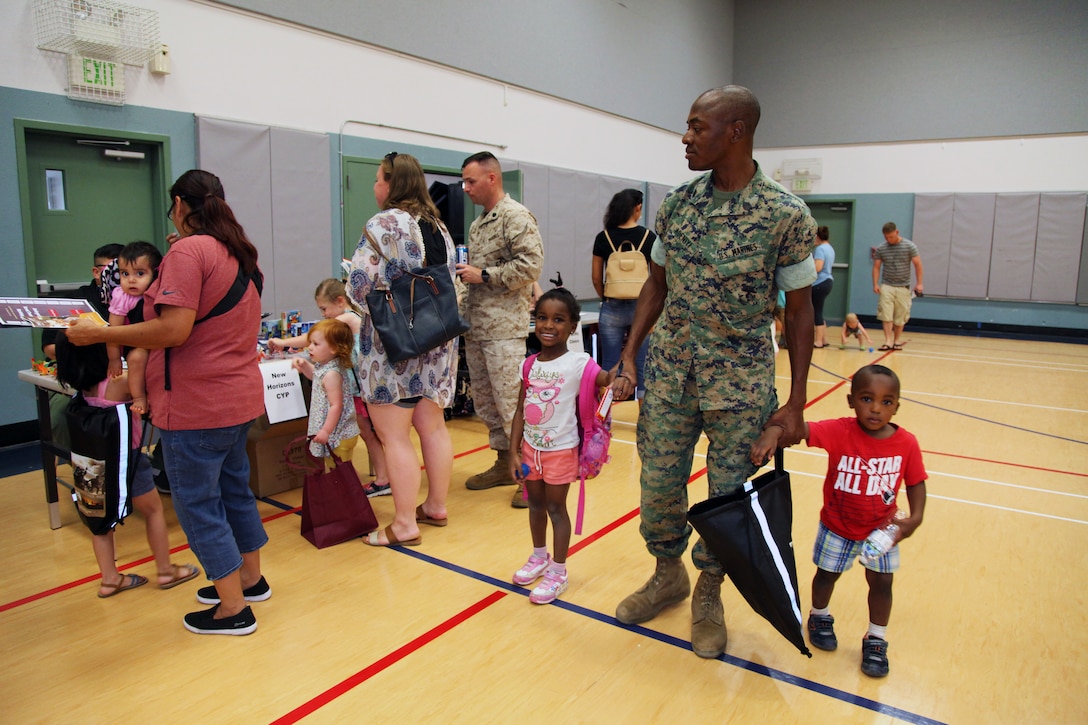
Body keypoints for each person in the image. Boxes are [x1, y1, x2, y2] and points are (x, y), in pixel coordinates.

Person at [609, 85, 817, 659]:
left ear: (736, 132)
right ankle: (667, 573)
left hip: (741, 388)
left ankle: (708, 591)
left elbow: (800, 313)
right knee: (658, 488)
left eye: (698, 126)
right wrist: (630, 353)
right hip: (673, 376)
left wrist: (796, 402)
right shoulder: (677, 204)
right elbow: (656, 284)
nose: (685, 136)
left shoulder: (785, 214)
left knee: (728, 500)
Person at [67, 169, 269, 636]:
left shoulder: (189, 251)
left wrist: (103, 334)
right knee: (235, 493)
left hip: (197, 405)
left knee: (199, 505)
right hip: (235, 399)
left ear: (179, 203)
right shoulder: (237, 251)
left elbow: (174, 330)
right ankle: (249, 580)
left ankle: (232, 608)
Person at [750, 364, 927, 678]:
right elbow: (801, 430)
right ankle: (819, 615)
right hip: (837, 526)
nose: (876, 408)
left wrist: (914, 519)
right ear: (850, 400)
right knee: (827, 575)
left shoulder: (907, 444)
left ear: (897, 407)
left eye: (887, 402)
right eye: (867, 398)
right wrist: (775, 432)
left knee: (882, 583)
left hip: (881, 529)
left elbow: (915, 481)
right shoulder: (839, 430)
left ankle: (876, 638)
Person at [347, 152, 456, 546]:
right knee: (433, 425)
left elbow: (360, 284)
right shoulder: (438, 226)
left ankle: (405, 524)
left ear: (391, 183)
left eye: (378, 178)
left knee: (395, 436)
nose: (375, 186)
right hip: (437, 339)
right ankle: (436, 506)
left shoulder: (383, 223)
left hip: (392, 342)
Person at [54, 333, 201, 598]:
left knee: (100, 520)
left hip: (91, 462)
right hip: (126, 459)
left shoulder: (81, 388)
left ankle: (110, 579)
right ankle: (166, 570)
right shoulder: (118, 384)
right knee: (154, 511)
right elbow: (139, 359)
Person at [508, 288, 613, 605]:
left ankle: (558, 570)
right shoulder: (529, 365)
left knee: (556, 509)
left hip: (561, 452)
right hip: (531, 451)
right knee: (535, 505)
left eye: (558, 319)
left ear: (572, 325)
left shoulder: (579, 363)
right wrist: (513, 451)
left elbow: (606, 379)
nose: (548, 325)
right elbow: (519, 410)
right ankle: (539, 556)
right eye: (541, 318)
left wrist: (622, 373)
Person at [457, 151, 545, 508]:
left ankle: (529, 475)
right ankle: (501, 463)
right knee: (488, 404)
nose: (465, 188)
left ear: (492, 178)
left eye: (471, 181)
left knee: (513, 404)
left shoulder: (515, 216)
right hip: (477, 328)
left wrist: (486, 275)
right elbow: (472, 276)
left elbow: (531, 266)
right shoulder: (479, 224)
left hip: (504, 329)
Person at [268, 278, 390, 495]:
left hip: (357, 389)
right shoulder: (351, 317)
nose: (323, 314)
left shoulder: (349, 318)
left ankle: (383, 479)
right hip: (356, 387)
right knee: (368, 434)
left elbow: (315, 334)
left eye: (324, 308)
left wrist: (282, 342)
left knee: (369, 434)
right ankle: (382, 477)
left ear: (340, 301)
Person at [592, 188, 656, 400]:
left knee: (610, 364)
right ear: (637, 208)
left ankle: (605, 417)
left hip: (612, 306)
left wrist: (606, 298)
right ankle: (644, 417)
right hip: (643, 308)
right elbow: (657, 279)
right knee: (643, 365)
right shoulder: (649, 238)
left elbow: (595, 277)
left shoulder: (603, 238)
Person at [290, 318, 360, 470]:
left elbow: (336, 405)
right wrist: (305, 367)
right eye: (310, 343)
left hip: (339, 435)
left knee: (339, 472)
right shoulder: (325, 367)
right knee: (333, 469)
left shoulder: (332, 374)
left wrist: (325, 431)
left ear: (334, 348)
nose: (309, 348)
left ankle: (343, 494)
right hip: (335, 434)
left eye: (315, 344)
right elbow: (316, 377)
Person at [105, 241, 163, 415]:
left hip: (161, 341)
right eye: (124, 274)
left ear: (155, 274)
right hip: (137, 343)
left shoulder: (161, 290)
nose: (131, 280)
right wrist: (114, 359)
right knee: (137, 358)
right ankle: (139, 397)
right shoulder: (123, 297)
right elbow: (112, 331)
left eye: (140, 273)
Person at [871, 222, 924, 350]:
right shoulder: (882, 248)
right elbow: (876, 267)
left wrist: (919, 283)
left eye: (891, 236)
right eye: (886, 237)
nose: (889, 239)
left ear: (897, 232)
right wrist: (875, 283)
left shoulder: (909, 246)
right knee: (886, 313)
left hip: (903, 286)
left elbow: (918, 265)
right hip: (887, 285)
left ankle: (897, 340)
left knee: (901, 315)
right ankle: (888, 340)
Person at [812, 226, 836, 348]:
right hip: (828, 281)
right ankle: (824, 338)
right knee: (819, 310)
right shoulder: (830, 248)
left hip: (819, 282)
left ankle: (818, 341)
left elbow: (818, 267)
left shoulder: (820, 249)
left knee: (817, 312)